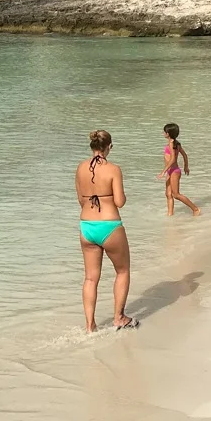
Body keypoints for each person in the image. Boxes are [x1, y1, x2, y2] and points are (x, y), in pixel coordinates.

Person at [75, 129, 135, 332]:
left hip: (86, 226)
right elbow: (120, 201)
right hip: (109, 226)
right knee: (122, 271)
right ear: (109, 147)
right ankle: (119, 317)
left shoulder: (80, 168)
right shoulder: (113, 169)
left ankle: (90, 325)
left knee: (90, 278)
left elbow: (80, 200)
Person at [159, 122, 201, 217]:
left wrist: (163, 171)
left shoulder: (171, 144)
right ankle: (170, 214)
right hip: (171, 172)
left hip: (174, 171)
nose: (163, 133)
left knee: (176, 194)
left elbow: (173, 159)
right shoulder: (176, 144)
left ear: (168, 134)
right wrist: (186, 166)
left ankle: (195, 209)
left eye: (164, 132)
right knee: (168, 194)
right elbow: (185, 155)